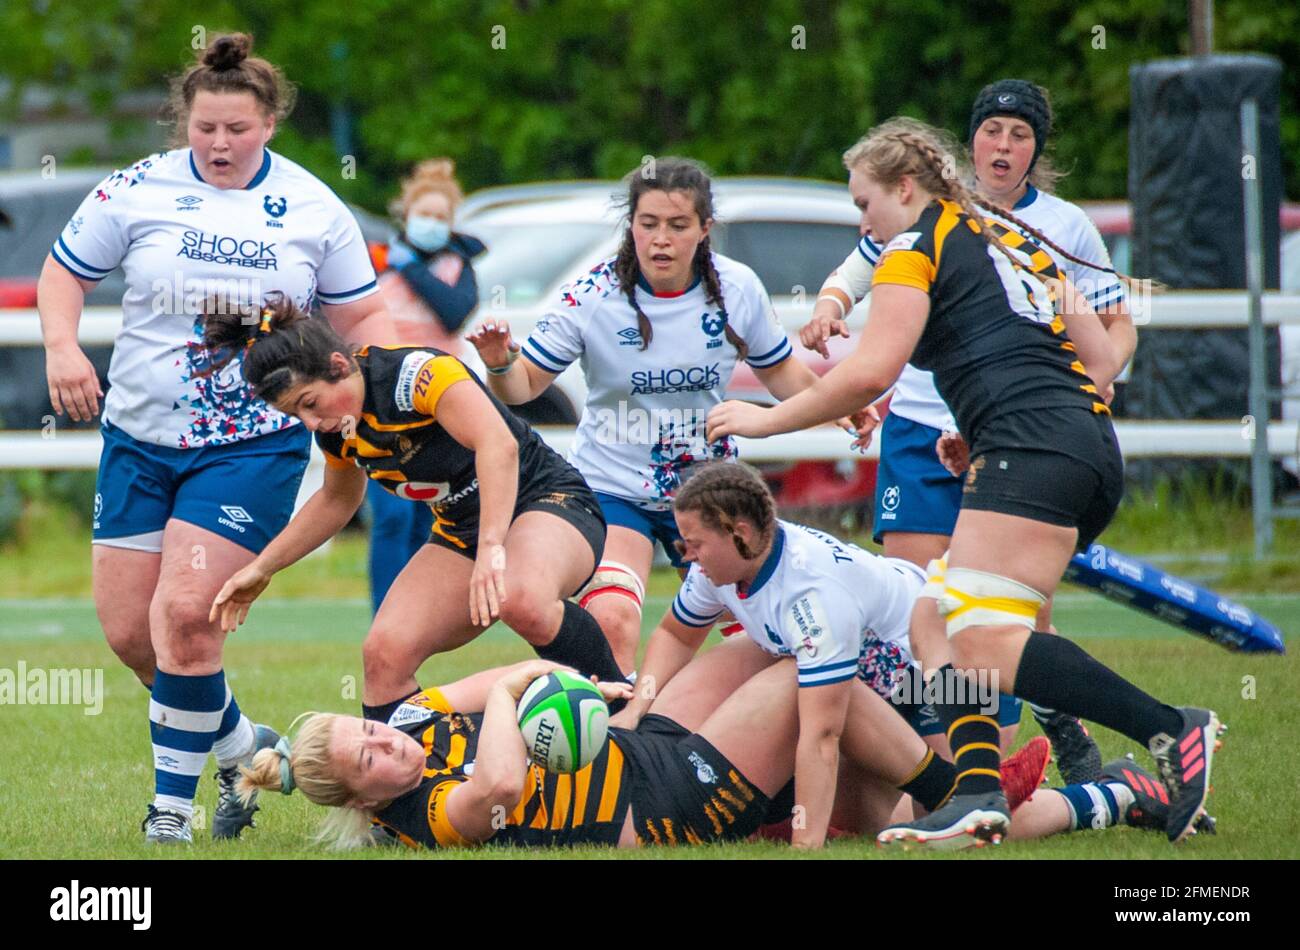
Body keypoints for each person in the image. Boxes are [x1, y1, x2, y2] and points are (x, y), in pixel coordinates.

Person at [707, 117, 1221, 847]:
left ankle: (1171, 729)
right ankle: (976, 786)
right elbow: (1102, 360)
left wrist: (764, 423)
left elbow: (870, 373)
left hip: (1033, 450)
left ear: (905, 189)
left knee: (980, 640)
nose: (863, 222)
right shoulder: (1001, 234)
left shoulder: (912, 248)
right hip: (1070, 448)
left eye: (863, 204)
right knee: (933, 618)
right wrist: (992, 434)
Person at [37, 33, 395, 844]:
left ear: (269, 122)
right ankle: (245, 748)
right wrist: (64, 346)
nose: (220, 144)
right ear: (183, 125)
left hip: (250, 445)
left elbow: (366, 314)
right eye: (205, 130)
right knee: (137, 636)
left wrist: (364, 388)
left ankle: (169, 816)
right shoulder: (136, 188)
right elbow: (63, 275)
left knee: (189, 617)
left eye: (237, 129)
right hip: (138, 437)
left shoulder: (311, 206)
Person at [801, 81, 1138, 784]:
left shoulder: (1050, 227)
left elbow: (1112, 334)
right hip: (936, 431)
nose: (1004, 146)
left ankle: (1057, 746)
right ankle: (969, 773)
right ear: (969, 142)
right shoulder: (915, 224)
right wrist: (830, 306)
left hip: (1022, 438)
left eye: (1020, 134)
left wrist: (1076, 395)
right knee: (929, 610)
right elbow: (855, 272)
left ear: (1037, 149)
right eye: (992, 131)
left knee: (998, 625)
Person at [610, 461, 1172, 847]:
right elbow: (676, 636)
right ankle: (1087, 789)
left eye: (695, 544)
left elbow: (823, 733)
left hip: (942, 680)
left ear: (739, 532)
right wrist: (639, 705)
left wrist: (806, 843)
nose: (687, 558)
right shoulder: (726, 566)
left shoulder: (812, 595)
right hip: (876, 684)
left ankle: (1113, 794)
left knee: (954, 825)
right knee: (879, 821)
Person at [469, 158, 861, 673]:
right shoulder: (592, 294)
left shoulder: (737, 287)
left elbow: (785, 375)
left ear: (704, 229)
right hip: (612, 489)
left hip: (707, 488)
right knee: (611, 620)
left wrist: (843, 408)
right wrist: (501, 362)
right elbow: (522, 389)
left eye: (677, 226)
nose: (661, 239)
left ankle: (715, 739)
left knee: (758, 634)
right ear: (630, 226)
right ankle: (615, 745)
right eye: (648, 224)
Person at [202, 296, 627, 729]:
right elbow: (337, 500)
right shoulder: (338, 431)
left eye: (309, 403)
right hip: (463, 531)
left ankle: (626, 721)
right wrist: (262, 569)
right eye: (294, 413)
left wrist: (492, 548)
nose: (309, 423)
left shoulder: (418, 376)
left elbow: (498, 447)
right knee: (385, 654)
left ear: (337, 364)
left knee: (520, 598)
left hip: (545, 501)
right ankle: (422, 782)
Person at [366, 159, 487, 612]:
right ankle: (385, 612)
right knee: (391, 516)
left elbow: (454, 312)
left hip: (438, 406)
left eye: (441, 217)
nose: (431, 224)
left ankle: (416, 611)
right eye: (425, 214)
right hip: (383, 406)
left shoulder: (459, 265)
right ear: (406, 213)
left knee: (428, 513)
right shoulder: (376, 262)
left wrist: (412, 267)